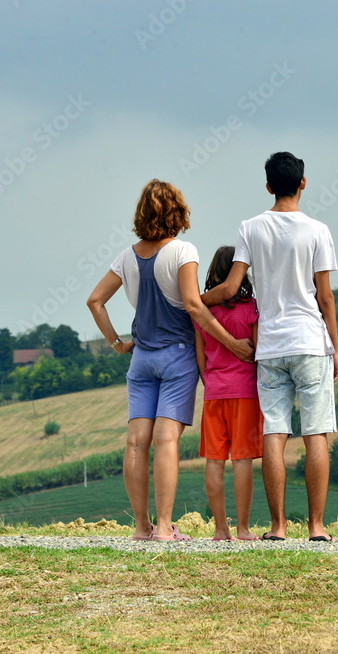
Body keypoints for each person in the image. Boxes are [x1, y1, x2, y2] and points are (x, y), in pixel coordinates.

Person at [87, 179, 254, 542]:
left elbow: (95, 301)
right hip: (177, 356)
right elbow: (194, 305)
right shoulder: (183, 252)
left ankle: (142, 527)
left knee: (135, 442)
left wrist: (116, 342)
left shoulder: (126, 257)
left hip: (141, 358)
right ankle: (165, 528)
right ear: (178, 212)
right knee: (166, 441)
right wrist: (233, 344)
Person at [202, 152, 338, 542]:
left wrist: (194, 303)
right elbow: (325, 297)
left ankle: (277, 527)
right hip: (311, 341)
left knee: (274, 433)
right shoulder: (318, 230)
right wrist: (335, 346)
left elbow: (230, 288)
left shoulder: (250, 228)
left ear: (267, 186)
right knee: (316, 434)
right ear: (303, 183)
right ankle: (316, 527)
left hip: (270, 345)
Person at [195, 246, 263, 542]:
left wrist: (210, 383)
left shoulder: (202, 311)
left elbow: (200, 358)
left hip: (214, 391)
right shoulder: (253, 309)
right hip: (246, 392)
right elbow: (259, 351)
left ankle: (221, 529)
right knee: (242, 460)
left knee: (214, 460)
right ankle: (244, 529)